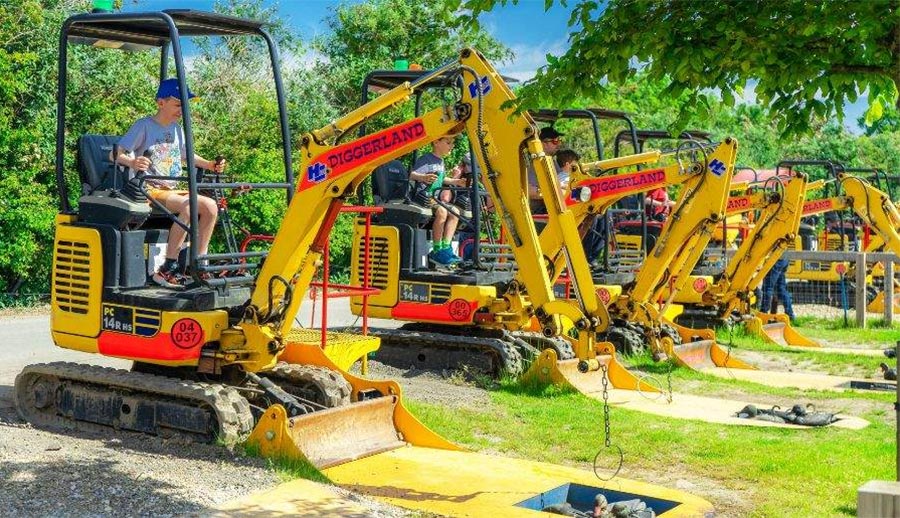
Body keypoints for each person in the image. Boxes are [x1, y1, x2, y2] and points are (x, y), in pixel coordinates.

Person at [115, 78, 226, 288]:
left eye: (184, 106)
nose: (181, 110)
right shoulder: (144, 126)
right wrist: (132, 162)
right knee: (189, 206)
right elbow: (115, 154)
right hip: (148, 189)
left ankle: (199, 264)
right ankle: (168, 268)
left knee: (211, 207)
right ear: (161, 103)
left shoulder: (177, 129)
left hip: (172, 189)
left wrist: (210, 165)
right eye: (177, 105)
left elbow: (186, 156)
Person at [410, 134, 467, 266]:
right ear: (436, 142)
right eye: (448, 142)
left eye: (452, 143)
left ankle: (446, 247)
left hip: (435, 199)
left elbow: (442, 179)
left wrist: (456, 182)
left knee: (455, 211)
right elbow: (412, 174)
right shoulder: (426, 159)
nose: (452, 146)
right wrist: (423, 178)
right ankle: (436, 249)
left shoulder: (440, 161)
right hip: (424, 198)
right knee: (442, 211)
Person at [528, 126, 564, 214]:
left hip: (553, 208)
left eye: (559, 141)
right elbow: (530, 191)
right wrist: (556, 193)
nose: (559, 144)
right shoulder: (534, 164)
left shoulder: (553, 162)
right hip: (538, 212)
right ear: (543, 143)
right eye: (555, 141)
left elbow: (562, 180)